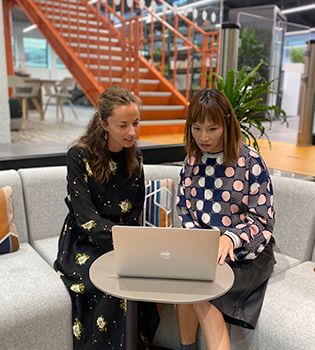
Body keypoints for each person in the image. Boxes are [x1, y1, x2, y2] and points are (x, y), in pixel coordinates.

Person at [54, 86, 159, 350]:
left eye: (136, 123)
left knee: (148, 279)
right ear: (104, 123)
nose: (132, 132)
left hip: (125, 239)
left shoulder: (136, 158)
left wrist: (134, 243)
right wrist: (124, 241)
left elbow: (136, 209)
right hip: (84, 241)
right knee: (110, 287)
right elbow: (85, 216)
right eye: (123, 125)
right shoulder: (78, 156)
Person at [176, 88, 276, 350]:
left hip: (248, 251)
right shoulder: (191, 161)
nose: (203, 137)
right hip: (205, 250)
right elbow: (184, 208)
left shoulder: (250, 162)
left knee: (202, 294)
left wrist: (230, 239)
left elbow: (263, 220)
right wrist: (197, 239)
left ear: (227, 124)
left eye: (212, 128)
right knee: (181, 282)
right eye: (196, 129)